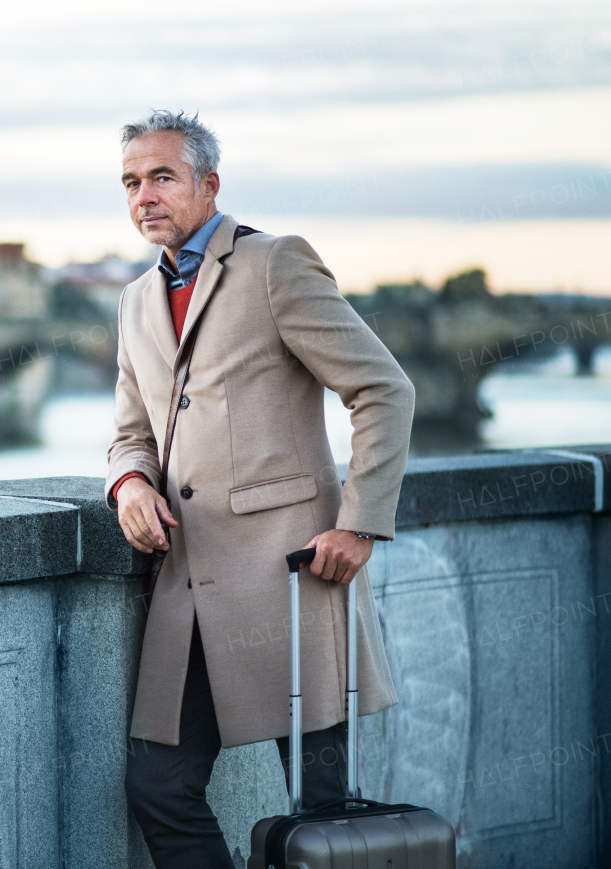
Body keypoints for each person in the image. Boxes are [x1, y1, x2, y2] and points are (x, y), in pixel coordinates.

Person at [106, 110, 415, 868]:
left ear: (210, 185)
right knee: (158, 787)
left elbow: (383, 389)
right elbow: (129, 429)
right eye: (131, 182)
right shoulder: (136, 300)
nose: (144, 195)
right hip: (186, 593)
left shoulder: (276, 265)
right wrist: (129, 485)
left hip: (292, 582)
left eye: (162, 177)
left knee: (321, 814)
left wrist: (361, 522)